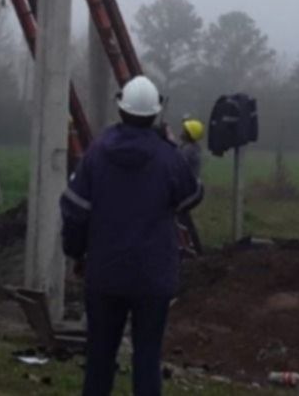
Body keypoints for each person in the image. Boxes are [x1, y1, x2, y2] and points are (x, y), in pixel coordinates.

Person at [60, 76, 204, 396]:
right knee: (147, 358)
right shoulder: (167, 156)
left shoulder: (97, 153)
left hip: (105, 274)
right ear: (155, 113)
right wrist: (173, 149)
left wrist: (76, 253)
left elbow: (74, 210)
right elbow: (192, 196)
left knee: (99, 358)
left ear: (121, 110)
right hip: (153, 278)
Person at [177, 117, 206, 255]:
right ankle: (193, 247)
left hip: (193, 191)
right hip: (192, 190)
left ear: (189, 134)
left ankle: (190, 247)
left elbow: (175, 161)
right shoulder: (188, 147)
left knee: (179, 213)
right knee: (182, 215)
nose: (181, 131)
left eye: (185, 130)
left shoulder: (189, 150)